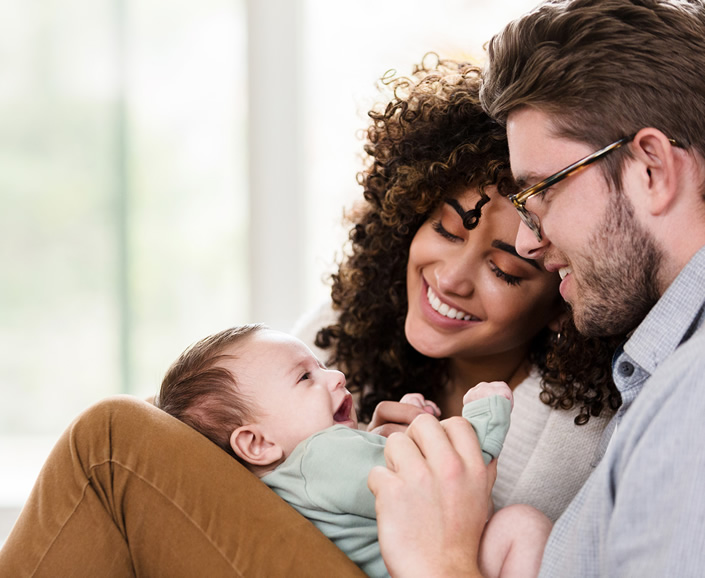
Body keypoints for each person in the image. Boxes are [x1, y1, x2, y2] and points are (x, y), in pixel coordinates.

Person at [369, 1, 705, 576]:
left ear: (650, 168)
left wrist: (441, 556)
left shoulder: (691, 401)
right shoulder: (659, 379)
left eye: (538, 194)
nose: (529, 242)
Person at [294, 54, 621, 522]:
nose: (449, 279)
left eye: (505, 270)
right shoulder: (335, 329)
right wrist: (354, 456)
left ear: (563, 298)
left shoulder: (576, 440)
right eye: (447, 230)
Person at [156, 323, 551, 578]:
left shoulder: (281, 485)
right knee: (521, 526)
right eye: (305, 377)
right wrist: (487, 415)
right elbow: (445, 482)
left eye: (322, 364)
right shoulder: (320, 455)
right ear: (257, 443)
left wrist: (410, 430)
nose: (337, 375)